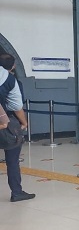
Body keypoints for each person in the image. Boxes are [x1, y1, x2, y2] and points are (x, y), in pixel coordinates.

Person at [0, 57, 32, 202]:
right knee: (12, 160)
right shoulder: (11, 81)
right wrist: (24, 122)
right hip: (7, 124)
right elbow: (16, 106)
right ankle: (17, 192)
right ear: (13, 66)